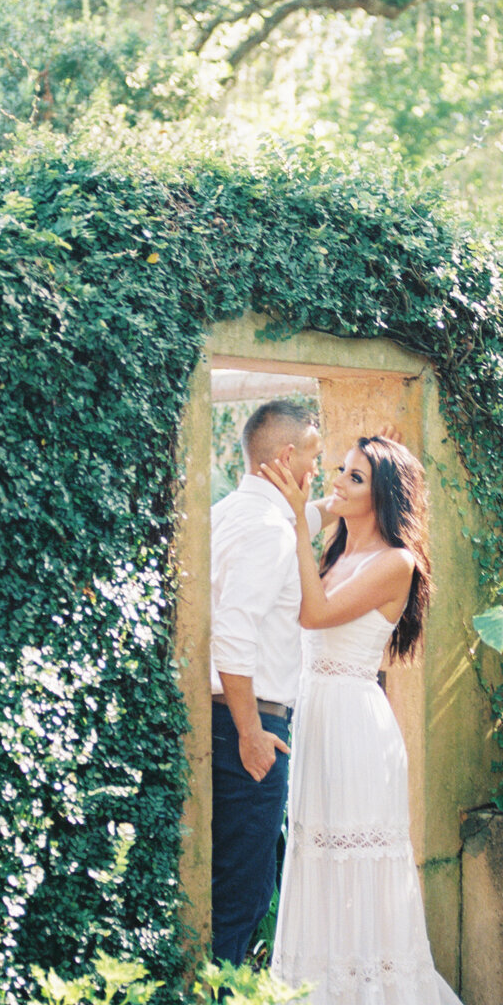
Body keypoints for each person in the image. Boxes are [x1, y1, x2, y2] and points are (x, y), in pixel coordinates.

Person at [261, 435, 471, 1005]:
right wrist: (311, 513)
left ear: (380, 494)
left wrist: (301, 519)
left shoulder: (395, 561)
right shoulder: (341, 549)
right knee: (319, 867)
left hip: (354, 726)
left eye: (354, 478)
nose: (339, 483)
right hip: (318, 720)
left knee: (357, 875)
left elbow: (313, 614)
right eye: (341, 473)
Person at [209, 398, 326, 966]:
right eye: (315, 458)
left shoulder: (230, 513)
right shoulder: (270, 533)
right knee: (243, 891)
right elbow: (232, 633)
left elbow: (309, 513)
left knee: (224, 882)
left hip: (218, 718)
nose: (319, 471)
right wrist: (251, 732)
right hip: (246, 726)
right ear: (286, 457)